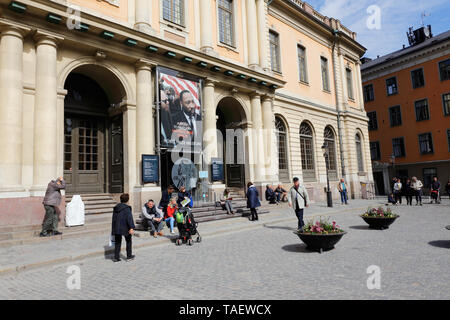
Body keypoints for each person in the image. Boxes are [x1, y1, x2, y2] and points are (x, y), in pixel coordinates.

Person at [111, 193, 135, 262]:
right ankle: (129, 256)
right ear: (127, 200)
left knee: (118, 242)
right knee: (128, 241)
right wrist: (131, 227)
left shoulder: (116, 207)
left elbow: (114, 219)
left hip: (117, 227)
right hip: (125, 227)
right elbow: (129, 218)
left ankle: (116, 257)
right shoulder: (127, 208)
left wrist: (113, 228)